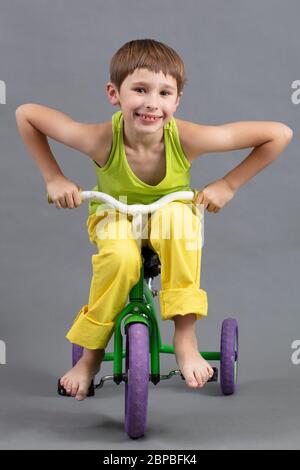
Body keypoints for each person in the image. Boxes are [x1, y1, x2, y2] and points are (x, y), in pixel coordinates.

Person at [15, 39, 293, 401]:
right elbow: (26, 113)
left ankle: (185, 335)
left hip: (170, 214)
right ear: (114, 93)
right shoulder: (100, 139)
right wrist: (53, 176)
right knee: (119, 259)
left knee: (178, 226)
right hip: (114, 214)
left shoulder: (186, 137)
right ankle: (91, 355)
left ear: (176, 102)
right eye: (140, 89)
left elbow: (279, 134)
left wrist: (228, 184)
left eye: (164, 93)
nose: (152, 103)